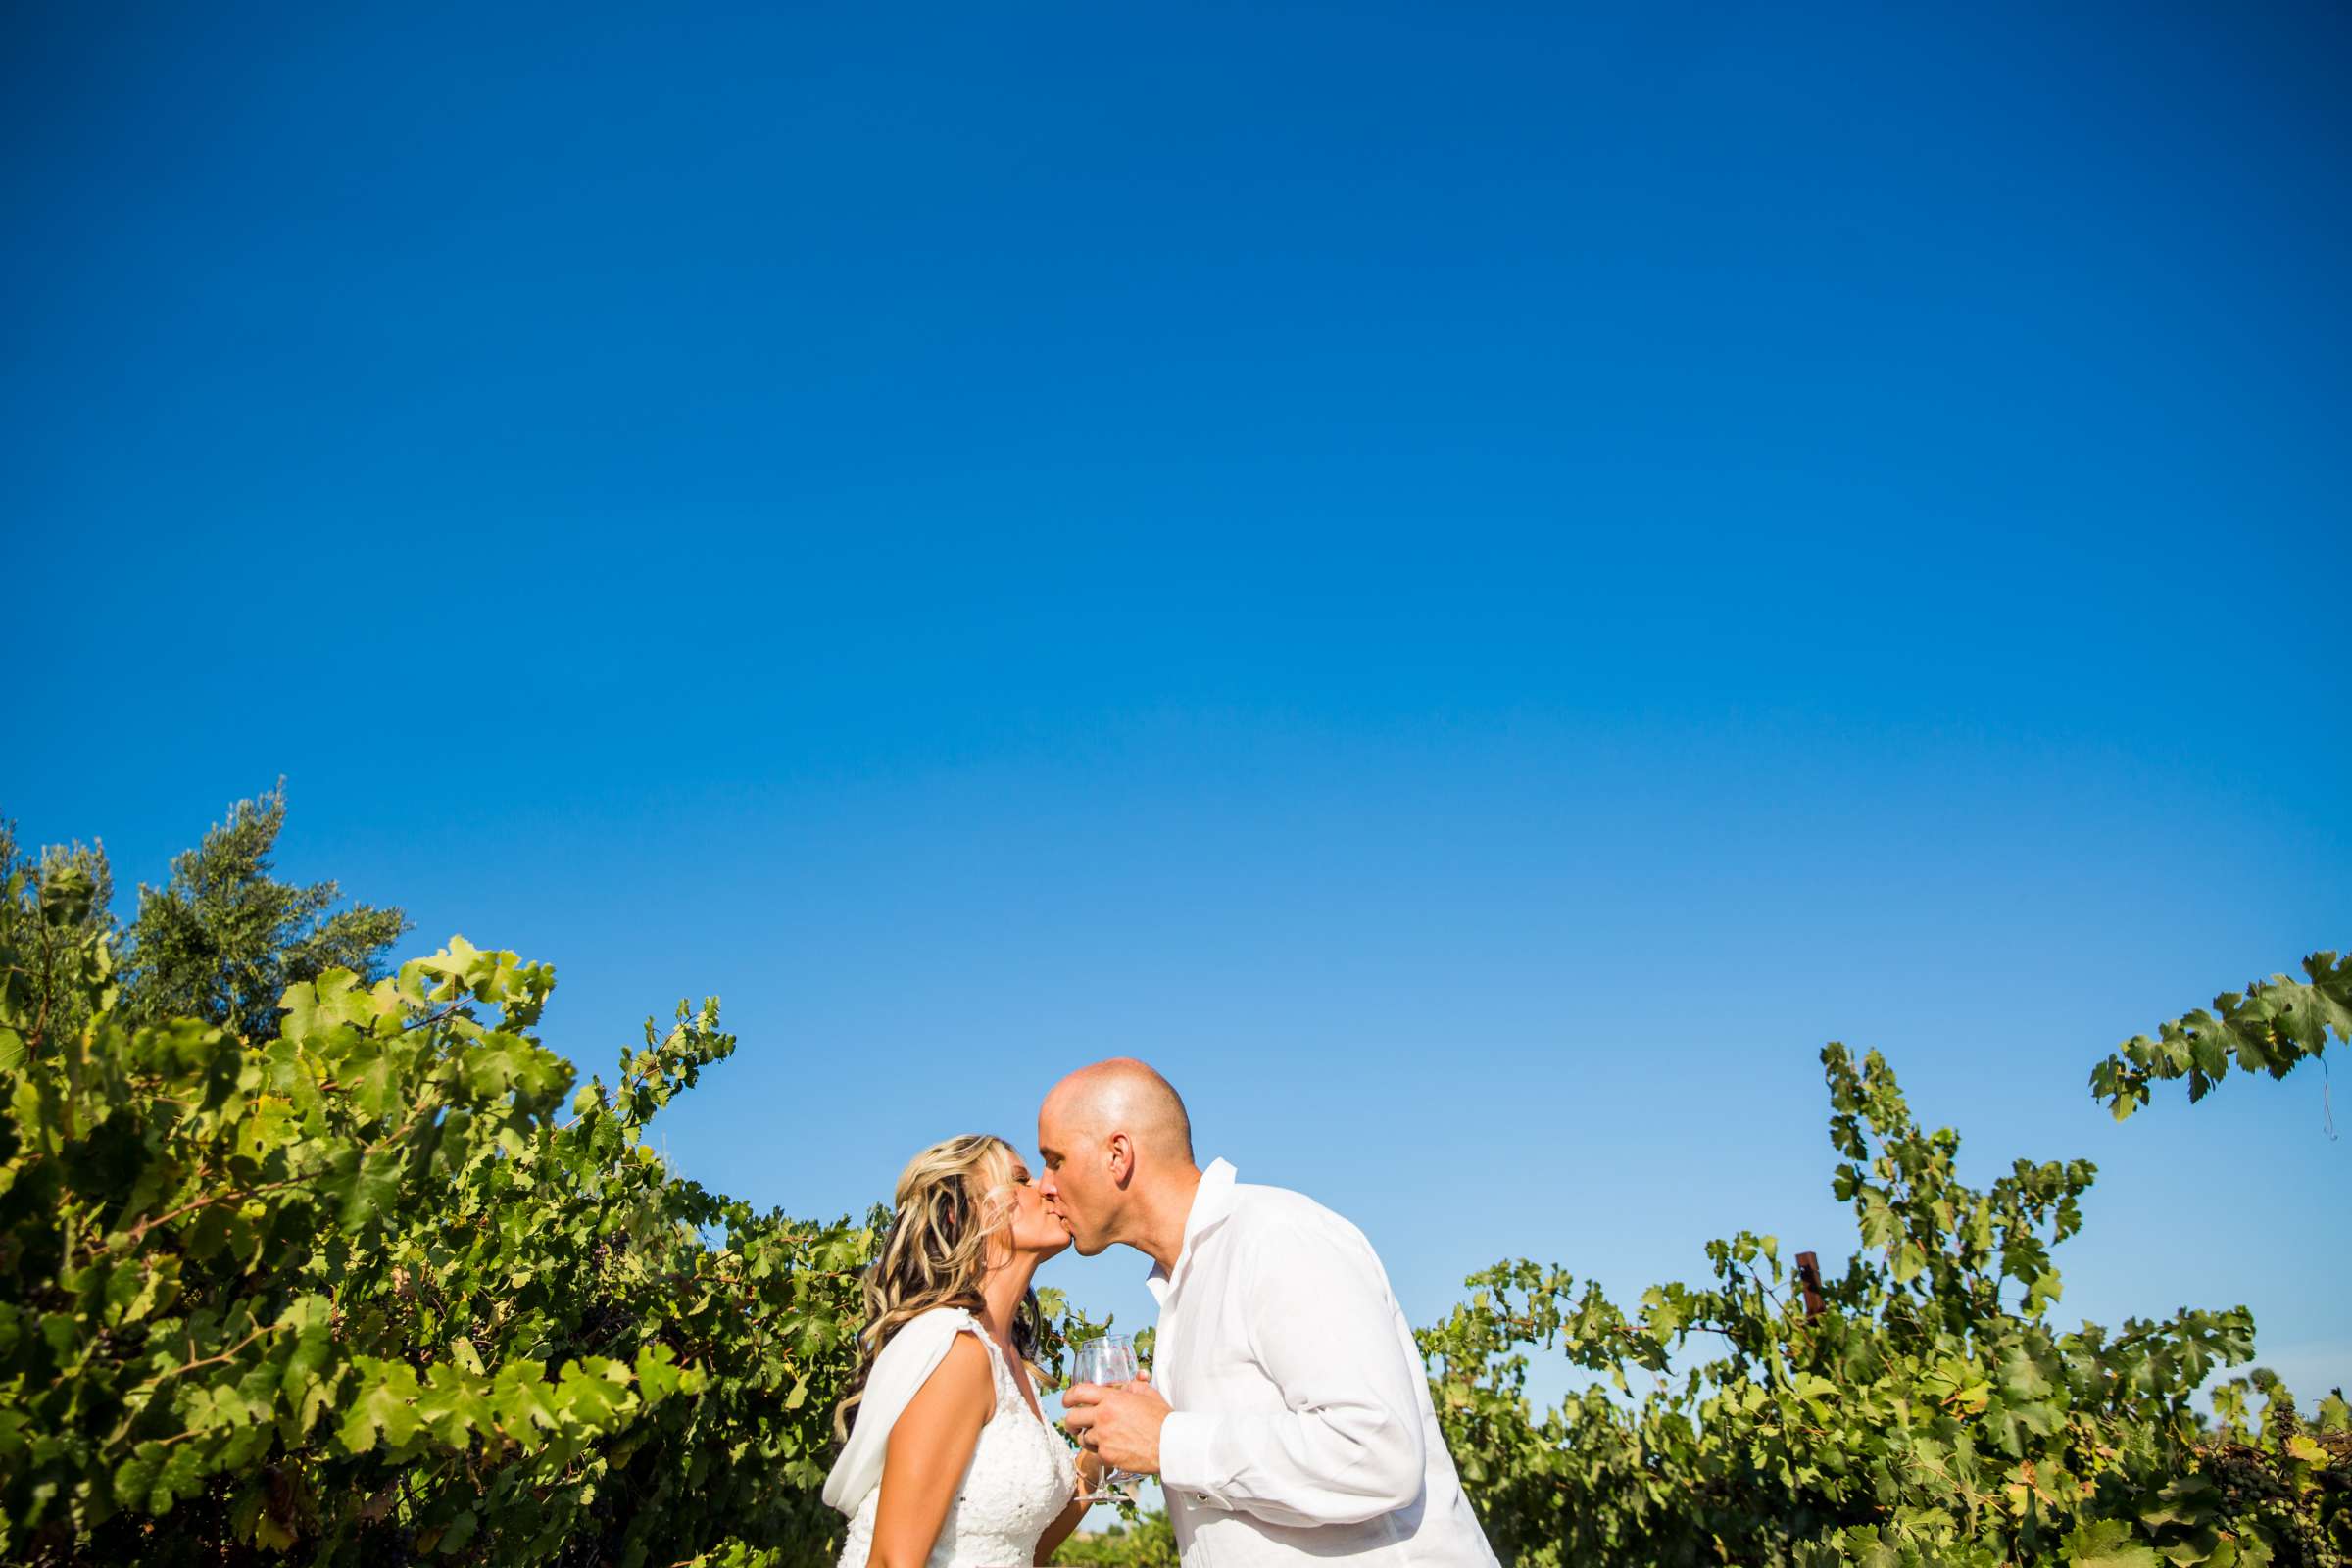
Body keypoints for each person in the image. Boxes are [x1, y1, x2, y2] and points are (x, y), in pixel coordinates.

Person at [1043, 1060, 1498, 1566]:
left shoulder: (1276, 1237)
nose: (1045, 1185)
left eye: (1055, 1160)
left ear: (1118, 1155)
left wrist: (1169, 1440)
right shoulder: (1183, 1289)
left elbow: (1377, 1452)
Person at [822, 1135, 1102, 1567]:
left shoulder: (1009, 1361)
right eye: (1020, 1180)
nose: (1046, 1189)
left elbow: (1022, 1550)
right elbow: (892, 1561)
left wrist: (1097, 1457)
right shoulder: (956, 1350)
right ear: (960, 1212)